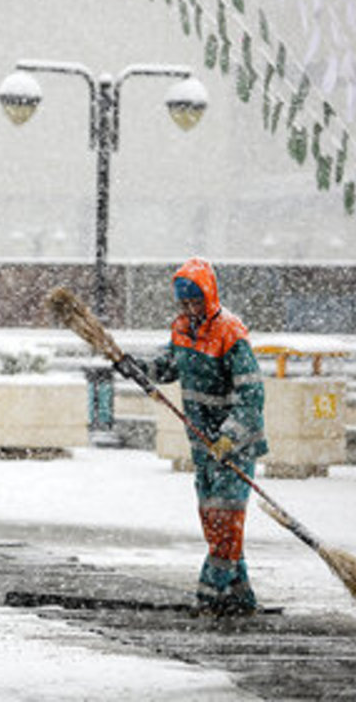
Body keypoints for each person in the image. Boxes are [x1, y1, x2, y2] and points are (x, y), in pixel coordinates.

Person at [118, 257, 267, 616]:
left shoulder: (231, 333)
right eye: (182, 302)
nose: (189, 308)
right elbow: (168, 366)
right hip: (202, 443)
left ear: (210, 296)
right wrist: (136, 367)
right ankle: (239, 595)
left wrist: (230, 435)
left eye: (194, 301)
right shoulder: (182, 329)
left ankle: (210, 592)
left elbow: (252, 395)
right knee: (212, 516)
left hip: (235, 445)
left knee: (225, 519)